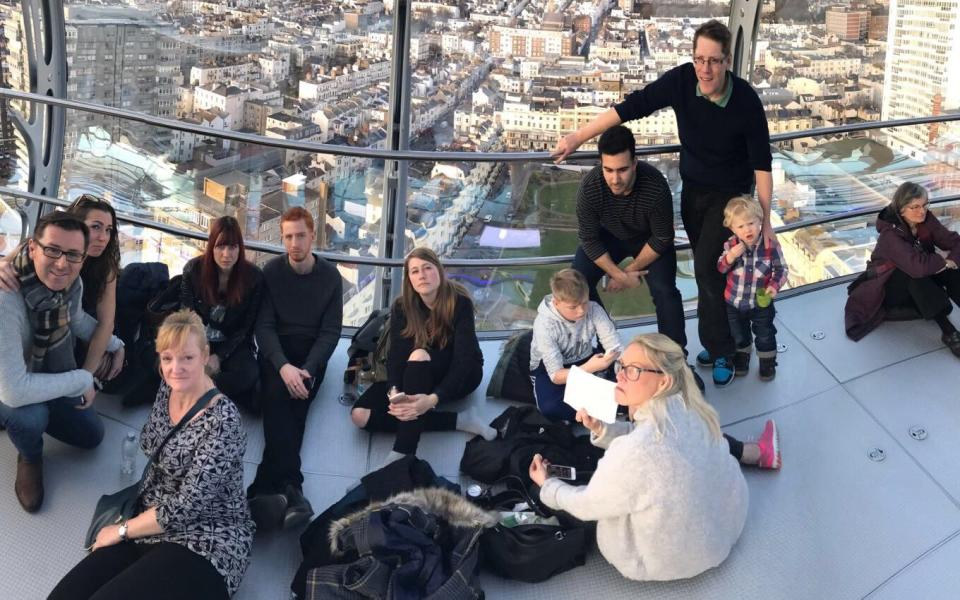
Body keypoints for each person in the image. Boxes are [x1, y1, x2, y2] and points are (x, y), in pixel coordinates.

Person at [552, 20, 775, 387]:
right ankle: (721, 340)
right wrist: (578, 137)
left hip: (730, 199)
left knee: (706, 268)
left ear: (728, 61)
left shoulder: (746, 101)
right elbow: (631, 107)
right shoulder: (682, 81)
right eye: (699, 59)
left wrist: (763, 221)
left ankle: (722, 351)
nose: (704, 69)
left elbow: (762, 166)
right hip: (693, 191)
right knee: (709, 269)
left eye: (714, 61)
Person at [528, 333, 771, 582]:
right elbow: (651, 440)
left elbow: (588, 505)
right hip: (725, 526)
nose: (619, 375)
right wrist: (602, 429)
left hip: (667, 560)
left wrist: (548, 486)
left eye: (633, 370)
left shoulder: (634, 452)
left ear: (663, 381)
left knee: (560, 501)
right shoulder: (691, 409)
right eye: (621, 366)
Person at [49, 310, 253, 600]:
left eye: (187, 358)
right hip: (152, 518)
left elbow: (186, 507)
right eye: (167, 358)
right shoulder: (168, 388)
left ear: (206, 356)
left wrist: (120, 531)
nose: (175, 368)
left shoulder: (224, 422)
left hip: (206, 537)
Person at [0, 212, 123, 512]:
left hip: (44, 372)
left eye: (72, 255)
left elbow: (76, 318)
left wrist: (115, 344)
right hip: (8, 385)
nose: (61, 263)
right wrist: (83, 379)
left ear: (82, 258)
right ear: (32, 248)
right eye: (52, 250)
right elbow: (14, 390)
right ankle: (30, 456)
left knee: (92, 437)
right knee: (29, 416)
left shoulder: (71, 283)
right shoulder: (5, 298)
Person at [350, 247, 496, 466]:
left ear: (439, 270)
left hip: (462, 376)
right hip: (417, 373)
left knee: (418, 354)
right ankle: (459, 420)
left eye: (427, 268)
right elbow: (397, 356)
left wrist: (433, 399)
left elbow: (465, 361)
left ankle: (402, 454)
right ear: (409, 279)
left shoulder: (459, 303)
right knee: (360, 416)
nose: (422, 275)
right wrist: (394, 393)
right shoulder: (402, 307)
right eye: (415, 271)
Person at [248, 207, 342, 531]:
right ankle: (293, 489)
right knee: (277, 401)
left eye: (300, 235)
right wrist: (283, 366)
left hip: (310, 358)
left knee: (296, 407)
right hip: (278, 355)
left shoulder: (330, 277)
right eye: (288, 236)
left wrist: (308, 369)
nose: (293, 243)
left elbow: (330, 332)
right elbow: (265, 326)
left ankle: (262, 489)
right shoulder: (271, 272)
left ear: (313, 235)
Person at [570, 125, 687, 355]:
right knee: (578, 282)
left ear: (635, 163)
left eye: (622, 170)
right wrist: (619, 274)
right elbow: (589, 239)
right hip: (608, 236)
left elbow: (663, 237)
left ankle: (675, 357)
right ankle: (608, 343)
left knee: (666, 292)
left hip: (649, 238)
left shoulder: (654, 186)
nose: (615, 179)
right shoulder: (591, 187)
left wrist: (630, 270)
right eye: (608, 170)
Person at [0, 195, 125, 387]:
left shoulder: (105, 268)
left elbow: (105, 324)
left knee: (107, 369)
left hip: (71, 327)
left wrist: (86, 377)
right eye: (96, 227)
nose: (103, 238)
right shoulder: (36, 250)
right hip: (37, 322)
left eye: (108, 230)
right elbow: (6, 264)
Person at [845, 182, 960, 352]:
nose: (922, 211)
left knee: (953, 269)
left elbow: (955, 242)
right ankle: (949, 332)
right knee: (913, 274)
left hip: (920, 276)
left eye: (925, 204)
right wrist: (943, 260)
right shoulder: (890, 236)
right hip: (890, 291)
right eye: (915, 207)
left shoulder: (925, 219)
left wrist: (950, 260)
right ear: (901, 209)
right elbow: (917, 268)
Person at [181, 216, 263, 410]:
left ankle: (199, 391)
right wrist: (203, 352)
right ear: (211, 247)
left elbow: (246, 327)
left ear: (240, 249)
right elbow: (188, 315)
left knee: (249, 374)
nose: (226, 254)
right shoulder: (193, 270)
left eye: (233, 247)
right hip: (198, 339)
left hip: (232, 343)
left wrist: (219, 357)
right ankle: (211, 392)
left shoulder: (253, 278)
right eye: (220, 247)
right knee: (167, 360)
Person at [529, 268, 622, 422]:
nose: (581, 311)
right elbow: (556, 376)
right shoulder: (544, 325)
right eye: (573, 307)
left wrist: (620, 367)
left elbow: (613, 345)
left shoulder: (594, 309)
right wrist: (591, 368)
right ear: (556, 303)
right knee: (549, 408)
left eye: (584, 303)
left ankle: (590, 410)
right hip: (550, 369)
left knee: (632, 387)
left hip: (586, 357)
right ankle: (601, 409)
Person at [717, 196, 788, 380]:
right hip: (734, 302)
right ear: (732, 228)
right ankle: (743, 356)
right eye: (740, 226)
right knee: (738, 334)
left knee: (765, 333)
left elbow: (781, 270)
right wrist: (730, 256)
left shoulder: (770, 246)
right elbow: (721, 268)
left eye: (751, 223)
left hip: (760, 303)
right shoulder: (730, 245)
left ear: (760, 222)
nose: (747, 229)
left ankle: (767, 361)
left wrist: (774, 286)